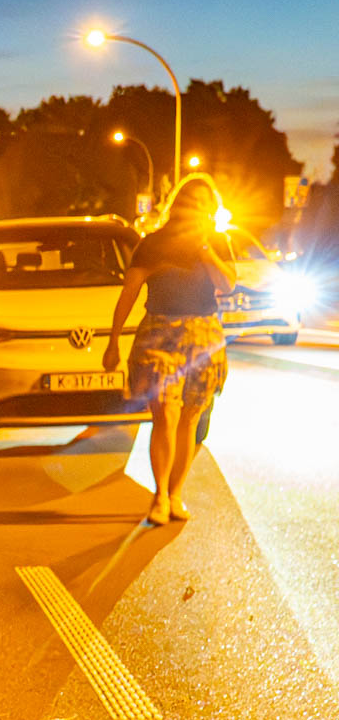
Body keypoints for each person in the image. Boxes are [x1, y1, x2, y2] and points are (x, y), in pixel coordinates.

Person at [103, 176, 236, 525]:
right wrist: (113, 341)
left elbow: (226, 284)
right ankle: (159, 495)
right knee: (165, 414)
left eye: (206, 203)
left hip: (203, 333)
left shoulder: (218, 242)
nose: (199, 209)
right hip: (160, 334)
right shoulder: (153, 244)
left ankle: (176, 494)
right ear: (178, 206)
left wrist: (205, 248)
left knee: (190, 418)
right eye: (193, 202)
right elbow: (129, 293)